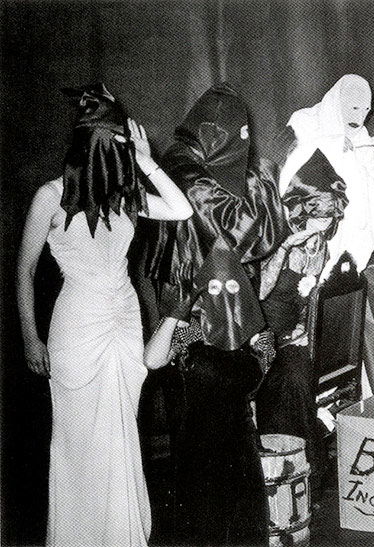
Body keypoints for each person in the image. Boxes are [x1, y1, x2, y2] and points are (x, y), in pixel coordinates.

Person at [16, 83, 193, 547]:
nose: (123, 154)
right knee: (79, 445)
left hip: (122, 319)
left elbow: (180, 209)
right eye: (117, 144)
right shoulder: (49, 198)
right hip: (76, 326)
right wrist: (30, 336)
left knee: (119, 439)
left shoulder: (125, 197)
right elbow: (25, 269)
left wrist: (148, 160)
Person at [147, 82, 284, 545]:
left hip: (225, 330)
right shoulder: (190, 177)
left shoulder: (213, 172)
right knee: (208, 451)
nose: (246, 140)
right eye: (238, 132)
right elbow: (249, 233)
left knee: (228, 447)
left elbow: (254, 247)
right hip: (199, 331)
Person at [255, 153, 349, 498]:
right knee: (288, 377)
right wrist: (282, 249)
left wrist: (307, 327)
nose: (321, 229)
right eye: (315, 219)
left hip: (291, 337)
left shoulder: (320, 244)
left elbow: (306, 297)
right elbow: (259, 291)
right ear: (300, 213)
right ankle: (282, 469)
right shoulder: (273, 237)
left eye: (327, 220)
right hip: (258, 333)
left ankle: (302, 474)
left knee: (297, 371)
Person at [277, 74, 374, 280]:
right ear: (338, 102)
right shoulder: (305, 122)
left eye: (366, 111)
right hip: (310, 221)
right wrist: (332, 143)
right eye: (354, 109)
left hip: (348, 224)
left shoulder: (362, 137)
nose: (360, 118)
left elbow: (370, 186)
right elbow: (290, 170)